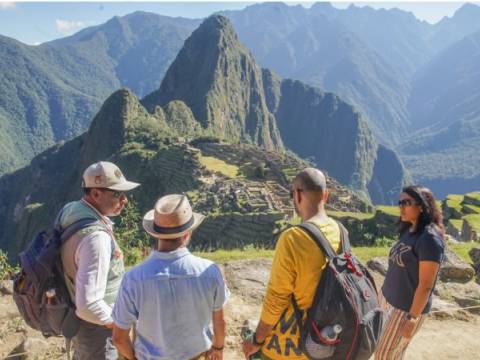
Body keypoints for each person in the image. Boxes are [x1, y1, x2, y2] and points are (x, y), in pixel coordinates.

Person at [111, 194, 230, 360]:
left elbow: (119, 338)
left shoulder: (133, 279)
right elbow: (220, 323)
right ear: (187, 234)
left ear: (155, 234)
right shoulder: (210, 272)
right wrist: (218, 348)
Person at [242, 167, 341, 360]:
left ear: (296, 195)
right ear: (326, 195)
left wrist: (258, 339)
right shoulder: (341, 231)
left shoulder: (293, 238)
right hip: (323, 340)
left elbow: (277, 298)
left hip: (289, 346)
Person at [58, 161, 140, 359]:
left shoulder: (71, 211)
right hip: (97, 330)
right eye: (117, 194)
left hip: (78, 318)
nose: (124, 200)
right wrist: (117, 323)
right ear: (95, 194)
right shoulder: (95, 237)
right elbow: (88, 305)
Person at [375, 185, 445, 359]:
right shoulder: (409, 230)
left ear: (422, 206)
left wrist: (412, 318)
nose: (401, 206)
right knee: (389, 354)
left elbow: (426, 285)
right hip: (387, 300)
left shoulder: (430, 239)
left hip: (404, 310)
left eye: (406, 202)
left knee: (384, 356)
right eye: (400, 202)